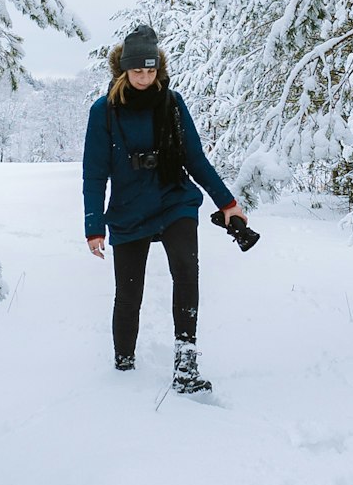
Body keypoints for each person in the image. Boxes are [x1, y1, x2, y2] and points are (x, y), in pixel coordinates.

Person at [82, 23, 246, 393]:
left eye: (150, 70)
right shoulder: (104, 112)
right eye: (137, 70)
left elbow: (196, 159)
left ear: (159, 68)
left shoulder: (172, 104)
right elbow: (94, 174)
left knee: (187, 272)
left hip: (174, 201)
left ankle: (185, 365)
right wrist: (94, 226)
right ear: (123, 70)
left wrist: (229, 204)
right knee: (129, 293)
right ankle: (123, 364)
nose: (144, 77)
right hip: (127, 209)